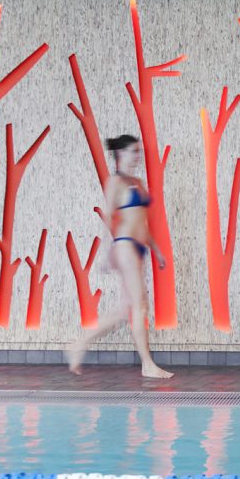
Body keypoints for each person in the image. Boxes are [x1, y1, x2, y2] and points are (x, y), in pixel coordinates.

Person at [65, 134, 173, 379]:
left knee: (126, 309)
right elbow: (108, 218)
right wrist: (106, 252)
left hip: (138, 247)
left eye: (138, 151)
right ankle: (147, 365)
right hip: (124, 246)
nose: (137, 156)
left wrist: (156, 250)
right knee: (140, 306)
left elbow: (141, 222)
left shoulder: (138, 182)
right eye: (133, 151)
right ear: (121, 153)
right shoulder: (114, 182)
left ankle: (79, 344)